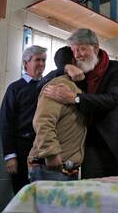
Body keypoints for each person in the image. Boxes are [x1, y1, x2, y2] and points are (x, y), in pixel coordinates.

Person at [43, 28, 118, 178]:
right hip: (90, 145)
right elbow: (57, 59)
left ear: (96, 48)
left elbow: (113, 99)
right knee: (94, 194)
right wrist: (66, 66)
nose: (77, 55)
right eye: (74, 50)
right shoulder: (76, 71)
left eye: (82, 49)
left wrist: (75, 98)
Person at [28, 52, 87, 182]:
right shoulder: (60, 85)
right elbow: (43, 121)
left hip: (66, 167)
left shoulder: (76, 87)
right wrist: (51, 153)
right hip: (52, 166)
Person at [0, 45, 47, 193]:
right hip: (22, 149)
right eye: (37, 60)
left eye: (44, 60)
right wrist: (10, 156)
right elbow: (6, 123)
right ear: (26, 63)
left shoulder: (48, 87)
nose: (41, 64)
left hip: (44, 148)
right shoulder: (15, 88)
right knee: (23, 193)